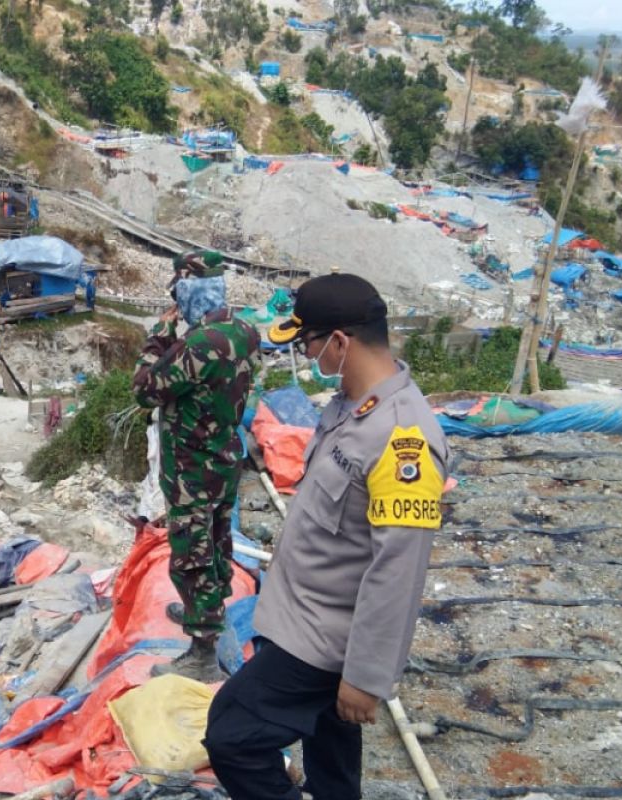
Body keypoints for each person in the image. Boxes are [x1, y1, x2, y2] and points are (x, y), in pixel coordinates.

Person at [203, 273, 449, 800]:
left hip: (323, 639)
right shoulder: (350, 406)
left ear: (339, 341)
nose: (305, 354)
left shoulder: (402, 438)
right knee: (331, 760)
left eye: (308, 343)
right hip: (299, 614)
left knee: (231, 735)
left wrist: (366, 675)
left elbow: (398, 571)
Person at [132, 251, 260, 682]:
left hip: (191, 469)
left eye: (177, 292)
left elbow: (145, 390)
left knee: (191, 555)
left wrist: (159, 338)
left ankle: (201, 652)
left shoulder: (200, 344)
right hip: (223, 458)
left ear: (189, 291)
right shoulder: (243, 331)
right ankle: (207, 610)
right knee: (218, 540)